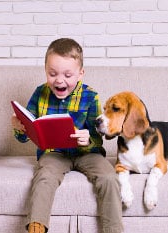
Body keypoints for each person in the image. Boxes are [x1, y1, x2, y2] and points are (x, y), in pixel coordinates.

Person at [11, 38, 123, 233]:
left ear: (80, 73)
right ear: (45, 70)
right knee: (44, 176)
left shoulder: (91, 96)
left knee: (109, 178)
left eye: (68, 74)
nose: (59, 80)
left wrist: (88, 138)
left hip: (87, 153)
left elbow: (98, 138)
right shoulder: (40, 93)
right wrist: (20, 127)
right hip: (55, 153)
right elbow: (26, 134)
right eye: (52, 74)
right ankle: (36, 229)